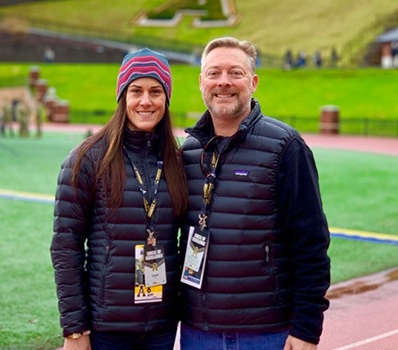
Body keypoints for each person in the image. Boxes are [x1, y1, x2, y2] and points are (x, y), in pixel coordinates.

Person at [180, 37, 330, 350]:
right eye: (213, 73)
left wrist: (307, 329)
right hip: (199, 331)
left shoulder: (286, 147)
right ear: (200, 82)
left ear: (253, 82)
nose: (223, 82)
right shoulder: (189, 152)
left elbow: (311, 243)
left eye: (235, 73)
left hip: (267, 332)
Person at [50, 48, 188, 350]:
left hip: (162, 327)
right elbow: (66, 247)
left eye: (156, 91)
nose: (146, 101)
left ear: (166, 98)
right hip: (105, 327)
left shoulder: (177, 160)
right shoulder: (86, 159)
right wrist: (75, 330)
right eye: (135, 90)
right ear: (122, 96)